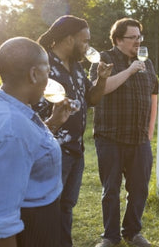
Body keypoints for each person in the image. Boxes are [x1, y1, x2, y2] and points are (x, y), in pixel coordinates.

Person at [0, 37, 69, 247]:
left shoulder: (2, 101)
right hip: (24, 229)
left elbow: (28, 149)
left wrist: (52, 123)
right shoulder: (10, 129)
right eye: (47, 70)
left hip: (33, 220)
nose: (50, 76)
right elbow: (0, 221)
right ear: (34, 74)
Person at [35, 15, 113, 247]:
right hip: (51, 150)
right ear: (69, 39)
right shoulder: (42, 64)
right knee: (47, 207)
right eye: (85, 41)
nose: (88, 46)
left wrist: (101, 79)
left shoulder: (78, 68)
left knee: (66, 207)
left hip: (75, 149)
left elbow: (93, 99)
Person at [91, 18, 158, 247]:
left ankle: (132, 232)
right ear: (118, 39)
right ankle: (110, 236)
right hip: (110, 136)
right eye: (133, 37)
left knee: (139, 189)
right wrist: (129, 71)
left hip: (140, 138)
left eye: (140, 37)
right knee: (111, 190)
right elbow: (100, 90)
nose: (138, 41)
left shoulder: (147, 63)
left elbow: (153, 95)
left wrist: (150, 131)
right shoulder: (104, 59)